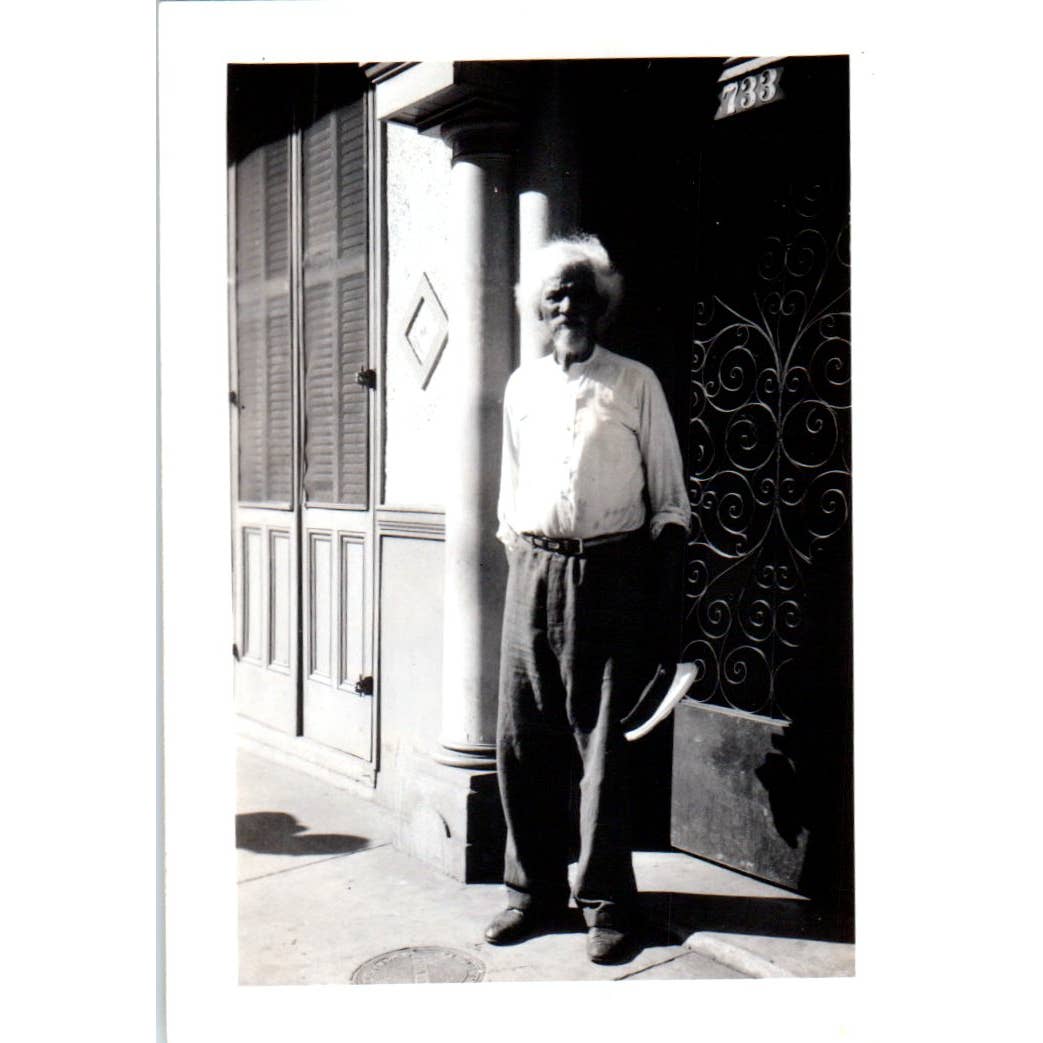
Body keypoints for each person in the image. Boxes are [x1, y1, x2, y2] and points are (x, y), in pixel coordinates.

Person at [484, 234, 691, 964]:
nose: (567, 304)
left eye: (579, 292)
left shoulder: (634, 384)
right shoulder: (520, 387)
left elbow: (668, 503)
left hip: (611, 576)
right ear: (539, 310)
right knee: (521, 739)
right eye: (554, 294)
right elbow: (509, 496)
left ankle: (605, 903)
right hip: (531, 570)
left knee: (601, 748)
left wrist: (657, 598)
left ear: (601, 305)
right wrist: (527, 561)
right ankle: (532, 895)